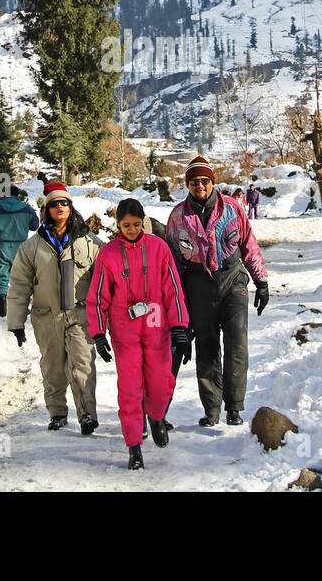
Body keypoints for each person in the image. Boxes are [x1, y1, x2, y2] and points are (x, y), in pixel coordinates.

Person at [87, 198, 191, 471]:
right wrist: (99, 333)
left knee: (160, 382)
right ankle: (134, 446)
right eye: (125, 225)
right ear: (118, 225)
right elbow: (98, 297)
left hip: (157, 327)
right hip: (125, 330)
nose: (131, 230)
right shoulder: (108, 254)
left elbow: (173, 289)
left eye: (136, 224)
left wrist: (179, 325)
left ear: (143, 221)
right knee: (130, 389)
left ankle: (156, 417)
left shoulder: (159, 248)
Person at [165, 155, 268, 427]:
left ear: (212, 182)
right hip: (198, 284)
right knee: (206, 346)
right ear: (187, 184)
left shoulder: (232, 208)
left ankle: (234, 407)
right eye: (194, 181)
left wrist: (261, 281)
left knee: (237, 343)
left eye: (205, 180)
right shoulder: (177, 217)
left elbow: (249, 245)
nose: (200, 185)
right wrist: (175, 302)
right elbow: (173, 264)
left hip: (232, 279)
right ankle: (211, 409)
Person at [7, 181, 104, 433]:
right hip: (46, 316)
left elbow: (106, 281)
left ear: (71, 207)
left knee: (82, 364)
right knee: (52, 366)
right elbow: (19, 285)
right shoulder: (32, 247)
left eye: (64, 203)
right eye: (54, 204)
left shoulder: (90, 243)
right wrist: (16, 321)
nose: (60, 207)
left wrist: (107, 318)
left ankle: (87, 414)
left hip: (79, 315)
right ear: (46, 209)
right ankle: (57, 412)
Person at [0, 186, 39, 318]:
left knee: (1, 274)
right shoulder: (26, 208)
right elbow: (35, 225)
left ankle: (2, 304)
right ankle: (21, 305)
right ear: (17, 195)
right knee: (21, 278)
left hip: (2, 246)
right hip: (21, 246)